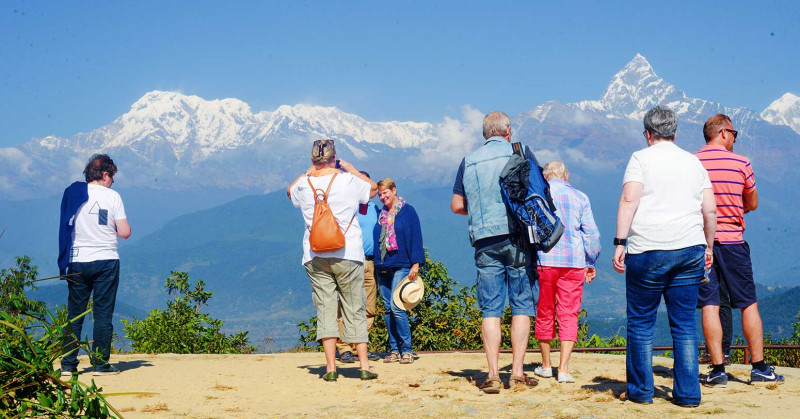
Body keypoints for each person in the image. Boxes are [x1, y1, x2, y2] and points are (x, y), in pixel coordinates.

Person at [612, 106, 716, 407]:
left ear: (648, 133)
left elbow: (629, 199)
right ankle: (688, 394)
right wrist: (708, 247)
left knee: (641, 322)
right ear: (675, 132)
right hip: (690, 248)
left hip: (648, 249)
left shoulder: (640, 159)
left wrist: (620, 242)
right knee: (684, 324)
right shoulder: (694, 162)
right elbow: (710, 210)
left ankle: (641, 391)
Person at [451, 111, 540, 393]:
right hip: (518, 238)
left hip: (484, 240)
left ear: (484, 133)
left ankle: (492, 374)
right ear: (508, 130)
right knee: (521, 305)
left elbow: (456, 205)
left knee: (490, 309)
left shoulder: (469, 161)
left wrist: (480, 210)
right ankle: (517, 373)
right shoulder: (520, 153)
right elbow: (538, 193)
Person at [696, 114, 785, 386]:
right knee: (747, 303)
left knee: (709, 305)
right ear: (723, 132)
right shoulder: (741, 162)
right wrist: (734, 206)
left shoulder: (692, 162)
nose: (735, 139)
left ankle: (717, 370)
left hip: (701, 244)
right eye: (734, 133)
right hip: (733, 241)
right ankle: (759, 368)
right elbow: (752, 203)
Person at [287, 139, 379, 381]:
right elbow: (373, 189)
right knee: (355, 307)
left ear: (313, 160)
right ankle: (364, 366)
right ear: (335, 158)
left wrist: (308, 171)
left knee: (325, 309)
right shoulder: (348, 180)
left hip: (315, 254)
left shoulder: (304, 184)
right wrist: (351, 168)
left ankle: (330, 369)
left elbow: (289, 192)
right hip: (348, 252)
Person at [59, 154, 132, 376]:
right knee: (102, 315)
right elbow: (125, 232)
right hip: (106, 260)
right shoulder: (113, 196)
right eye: (112, 176)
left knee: (75, 315)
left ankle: (68, 365)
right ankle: (100, 365)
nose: (113, 181)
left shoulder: (74, 194)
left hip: (78, 260)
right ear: (105, 174)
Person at [533, 161, 601, 384]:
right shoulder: (580, 197)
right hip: (574, 262)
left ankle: (546, 365)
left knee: (544, 310)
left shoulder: (538, 196)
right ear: (566, 176)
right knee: (569, 313)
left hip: (545, 260)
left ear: (545, 177)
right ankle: (563, 369)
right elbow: (591, 234)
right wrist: (590, 261)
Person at [372, 178, 425, 365]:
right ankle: (394, 350)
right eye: (379, 194)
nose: (382, 197)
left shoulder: (407, 211)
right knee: (388, 309)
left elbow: (415, 236)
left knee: (397, 306)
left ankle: (407, 350)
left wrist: (416, 263)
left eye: (385, 193)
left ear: (394, 190)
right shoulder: (381, 214)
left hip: (402, 263)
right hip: (383, 264)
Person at [336, 171, 381, 363]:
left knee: (369, 307)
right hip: (350, 260)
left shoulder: (374, 208)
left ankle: (359, 346)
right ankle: (344, 347)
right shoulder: (347, 205)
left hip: (370, 262)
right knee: (345, 305)